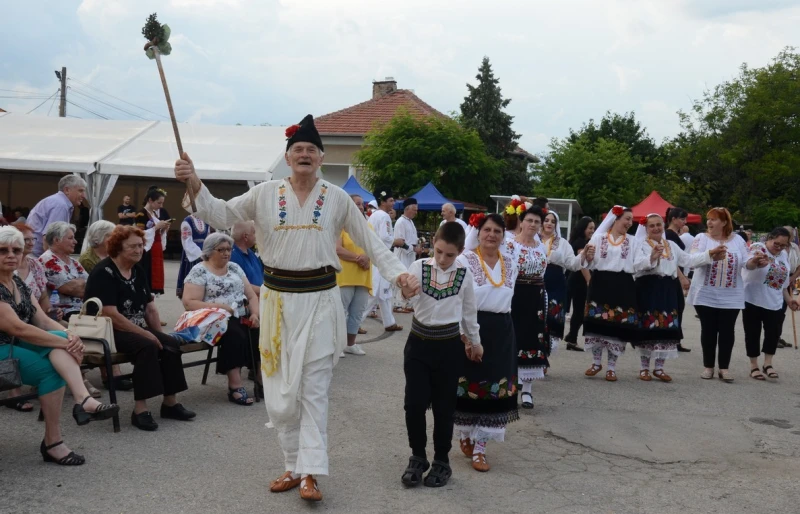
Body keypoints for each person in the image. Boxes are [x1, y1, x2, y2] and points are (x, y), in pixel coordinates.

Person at [173, 114, 415, 502]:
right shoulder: (265, 193)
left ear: (321, 158)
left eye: (311, 150)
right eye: (297, 149)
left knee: (314, 389)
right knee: (281, 390)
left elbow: (369, 243)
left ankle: (312, 474)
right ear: (288, 158)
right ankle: (292, 465)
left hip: (320, 303)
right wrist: (193, 180)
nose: (304, 155)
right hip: (277, 305)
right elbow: (219, 213)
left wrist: (400, 275)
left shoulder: (336, 198)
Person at [0, 226, 119, 465]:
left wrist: (68, 335)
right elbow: (17, 328)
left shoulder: (18, 283)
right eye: (3, 250)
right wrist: (66, 341)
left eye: (17, 250)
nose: (11, 255)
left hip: (18, 343)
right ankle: (53, 442)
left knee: (60, 339)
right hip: (5, 346)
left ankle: (82, 400)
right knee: (50, 370)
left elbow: (41, 319)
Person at [83, 225, 195, 431]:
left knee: (169, 343)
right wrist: (147, 335)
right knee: (147, 345)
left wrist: (159, 335)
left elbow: (150, 308)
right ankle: (140, 410)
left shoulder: (138, 269)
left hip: (132, 328)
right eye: (132, 246)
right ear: (117, 247)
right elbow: (110, 314)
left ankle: (170, 403)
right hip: (109, 331)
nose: (138, 250)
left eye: (141, 245)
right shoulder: (104, 272)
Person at [400, 221, 481, 487]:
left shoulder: (464, 273)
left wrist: (475, 342)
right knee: (414, 404)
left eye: (450, 254)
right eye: (438, 252)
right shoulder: (418, 267)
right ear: (433, 244)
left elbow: (469, 313)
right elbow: (405, 300)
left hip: (448, 347)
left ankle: (442, 460)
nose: (443, 259)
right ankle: (418, 456)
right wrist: (405, 292)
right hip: (418, 344)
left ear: (460, 251)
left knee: (444, 408)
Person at [455, 213, 519, 473]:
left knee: (496, 386)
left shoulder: (511, 262)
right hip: (473, 325)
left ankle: (481, 447)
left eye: (497, 231)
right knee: (469, 383)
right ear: (478, 232)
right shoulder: (465, 260)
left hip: (502, 329)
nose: (491, 235)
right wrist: (465, 335)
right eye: (487, 230)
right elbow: (457, 300)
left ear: (503, 236)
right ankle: (465, 434)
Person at [632, 214, 724, 382]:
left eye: (658, 224)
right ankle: (644, 368)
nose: (656, 228)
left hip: (668, 288)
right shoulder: (641, 245)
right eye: (651, 226)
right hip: (648, 287)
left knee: (666, 326)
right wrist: (652, 256)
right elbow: (636, 265)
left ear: (663, 225)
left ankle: (659, 368)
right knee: (648, 326)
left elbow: (688, 259)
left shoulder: (671, 245)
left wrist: (709, 254)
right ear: (646, 229)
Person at [183, 233, 262, 405]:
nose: (226, 253)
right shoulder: (199, 270)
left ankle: (260, 379)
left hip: (238, 314)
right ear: (210, 251)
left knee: (259, 330)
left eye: (228, 249)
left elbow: (252, 296)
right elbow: (189, 302)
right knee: (234, 332)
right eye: (221, 250)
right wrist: (220, 307)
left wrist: (255, 314)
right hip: (212, 318)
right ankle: (235, 385)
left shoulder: (234, 267)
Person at [687, 207, 753, 382]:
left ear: (724, 222)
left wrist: (756, 262)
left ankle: (724, 368)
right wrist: (710, 254)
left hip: (731, 295)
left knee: (727, 332)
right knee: (708, 331)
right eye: (708, 219)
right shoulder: (701, 238)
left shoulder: (738, 240)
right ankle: (708, 367)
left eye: (714, 219)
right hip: (705, 293)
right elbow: (692, 260)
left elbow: (747, 263)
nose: (709, 222)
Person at [582, 206, 638, 382]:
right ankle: (596, 362)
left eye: (631, 220)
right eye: (627, 219)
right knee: (597, 323)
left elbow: (638, 263)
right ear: (616, 220)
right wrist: (589, 257)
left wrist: (653, 259)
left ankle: (612, 368)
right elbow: (588, 263)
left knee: (617, 326)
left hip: (623, 284)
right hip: (600, 282)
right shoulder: (598, 238)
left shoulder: (633, 241)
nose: (630, 223)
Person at [8, 222, 59, 411]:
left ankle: (80, 390)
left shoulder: (35, 264)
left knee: (66, 333)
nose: (31, 243)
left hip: (34, 317)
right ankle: (14, 391)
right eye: (26, 239)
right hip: (13, 327)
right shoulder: (8, 269)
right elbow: (15, 325)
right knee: (60, 342)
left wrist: (51, 313)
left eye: (32, 239)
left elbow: (43, 296)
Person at [504, 207, 550, 410]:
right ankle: (511, 387)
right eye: (529, 220)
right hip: (515, 297)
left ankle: (528, 391)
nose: (532, 224)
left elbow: (543, 273)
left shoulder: (540, 246)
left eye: (536, 222)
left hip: (535, 299)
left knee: (533, 339)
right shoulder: (509, 244)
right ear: (521, 222)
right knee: (513, 339)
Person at [742, 227, 797, 380]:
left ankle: (768, 363)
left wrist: (789, 300)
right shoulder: (757, 249)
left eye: (783, 245)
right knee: (752, 332)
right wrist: (756, 262)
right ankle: (754, 365)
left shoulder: (783, 255)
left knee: (773, 333)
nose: (778, 248)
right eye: (776, 244)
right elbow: (749, 265)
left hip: (775, 301)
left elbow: (782, 284)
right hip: (753, 299)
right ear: (769, 239)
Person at [540, 210, 583, 353]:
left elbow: (572, 264)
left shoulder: (563, 243)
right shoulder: (533, 240)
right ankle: (537, 353)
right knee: (536, 317)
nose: (549, 223)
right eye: (546, 220)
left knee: (553, 317)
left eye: (553, 221)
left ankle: (547, 353)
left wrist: (583, 256)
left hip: (556, 283)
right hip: (537, 282)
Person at [336, 195, 372, 357]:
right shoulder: (339, 226)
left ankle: (351, 344)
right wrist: (359, 258)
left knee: (357, 312)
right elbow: (337, 249)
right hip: (346, 275)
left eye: (361, 204)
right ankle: (338, 345)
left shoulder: (367, 226)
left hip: (363, 274)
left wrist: (367, 257)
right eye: (356, 204)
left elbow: (374, 248)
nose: (360, 207)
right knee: (341, 311)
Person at [367, 187, 404, 332]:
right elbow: (385, 238)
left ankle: (389, 322)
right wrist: (396, 241)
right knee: (376, 292)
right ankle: (354, 324)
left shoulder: (374, 215)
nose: (393, 203)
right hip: (380, 256)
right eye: (390, 200)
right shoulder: (384, 216)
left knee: (384, 292)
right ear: (382, 202)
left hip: (375, 255)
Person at [26, 175, 87, 257]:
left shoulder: (57, 201)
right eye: (80, 191)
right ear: (67, 190)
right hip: (37, 257)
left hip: (33, 254)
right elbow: (48, 239)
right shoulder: (61, 205)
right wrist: (52, 263)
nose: (84, 195)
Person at [38, 222, 87, 320]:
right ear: (56, 240)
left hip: (83, 309)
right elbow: (71, 289)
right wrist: (80, 282)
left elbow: (92, 284)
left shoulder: (73, 261)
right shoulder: (48, 260)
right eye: (70, 238)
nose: (75, 242)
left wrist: (79, 283)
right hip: (63, 313)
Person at [665, 207, 693, 352]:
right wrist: (682, 277)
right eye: (682, 219)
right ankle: (673, 339)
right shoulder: (669, 235)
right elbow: (671, 259)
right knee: (676, 306)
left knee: (678, 306)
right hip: (673, 274)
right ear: (674, 219)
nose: (684, 222)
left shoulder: (674, 234)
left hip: (677, 273)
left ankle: (675, 339)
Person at [564, 217, 595, 351]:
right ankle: (572, 338)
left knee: (579, 310)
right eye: (590, 228)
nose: (592, 231)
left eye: (593, 228)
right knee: (580, 311)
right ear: (583, 228)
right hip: (579, 279)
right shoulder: (581, 242)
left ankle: (571, 337)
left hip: (578, 279)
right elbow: (582, 265)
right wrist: (589, 281)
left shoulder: (583, 241)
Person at [135, 186, 172, 295]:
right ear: (150, 200)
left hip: (156, 248)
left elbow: (157, 233)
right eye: (159, 203)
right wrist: (156, 228)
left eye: (162, 203)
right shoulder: (141, 214)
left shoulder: (154, 214)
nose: (161, 206)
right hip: (147, 250)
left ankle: (151, 295)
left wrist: (163, 229)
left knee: (155, 274)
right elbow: (139, 233)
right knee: (147, 272)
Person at [393, 198, 421, 313]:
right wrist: (413, 248)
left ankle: (407, 303)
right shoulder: (400, 222)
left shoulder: (410, 221)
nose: (416, 212)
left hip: (411, 254)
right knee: (401, 277)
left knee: (410, 277)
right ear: (407, 209)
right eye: (414, 209)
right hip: (402, 255)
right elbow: (400, 242)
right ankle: (397, 304)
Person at [176, 214, 209, 298]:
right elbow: (186, 240)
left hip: (205, 250)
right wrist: (199, 254)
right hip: (193, 253)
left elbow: (208, 237)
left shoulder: (205, 220)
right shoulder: (187, 221)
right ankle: (191, 296)